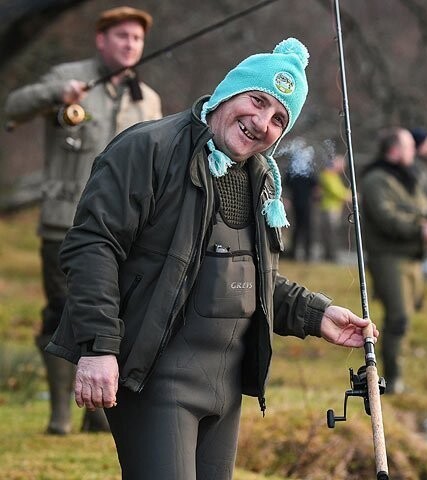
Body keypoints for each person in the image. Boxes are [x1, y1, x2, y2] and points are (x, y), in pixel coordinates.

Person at [45, 38, 377, 479]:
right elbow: (92, 245)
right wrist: (99, 348)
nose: (261, 123)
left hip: (225, 390)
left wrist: (318, 315)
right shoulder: (149, 149)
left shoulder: (261, 179)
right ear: (228, 90)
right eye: (257, 101)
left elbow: (244, 276)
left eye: (279, 118)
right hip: (153, 378)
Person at [4, 6, 162, 435]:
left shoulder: (147, 100)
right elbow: (12, 109)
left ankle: (98, 413)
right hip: (65, 223)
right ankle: (59, 415)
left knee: (113, 315)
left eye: (136, 39)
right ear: (101, 40)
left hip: (125, 231)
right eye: (122, 36)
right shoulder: (67, 76)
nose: (130, 44)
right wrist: (56, 95)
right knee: (61, 312)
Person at [360, 127, 427, 394]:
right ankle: (393, 381)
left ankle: (399, 375)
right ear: (395, 150)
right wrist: (420, 229)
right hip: (389, 258)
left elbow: (426, 206)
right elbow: (386, 218)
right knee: (397, 317)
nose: (414, 152)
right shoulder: (376, 179)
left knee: (407, 318)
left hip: (412, 258)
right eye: (409, 147)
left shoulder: (408, 177)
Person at [283, 136, 318, 261]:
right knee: (301, 227)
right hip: (299, 201)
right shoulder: (300, 170)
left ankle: (303, 253)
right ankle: (298, 253)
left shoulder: (301, 171)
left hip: (302, 201)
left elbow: (314, 184)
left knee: (302, 227)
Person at [318, 153, 351, 261]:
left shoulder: (334, 176)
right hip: (329, 208)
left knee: (332, 232)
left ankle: (330, 254)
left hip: (334, 209)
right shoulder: (327, 175)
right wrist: (350, 196)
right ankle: (330, 255)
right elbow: (337, 192)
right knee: (330, 233)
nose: (343, 168)